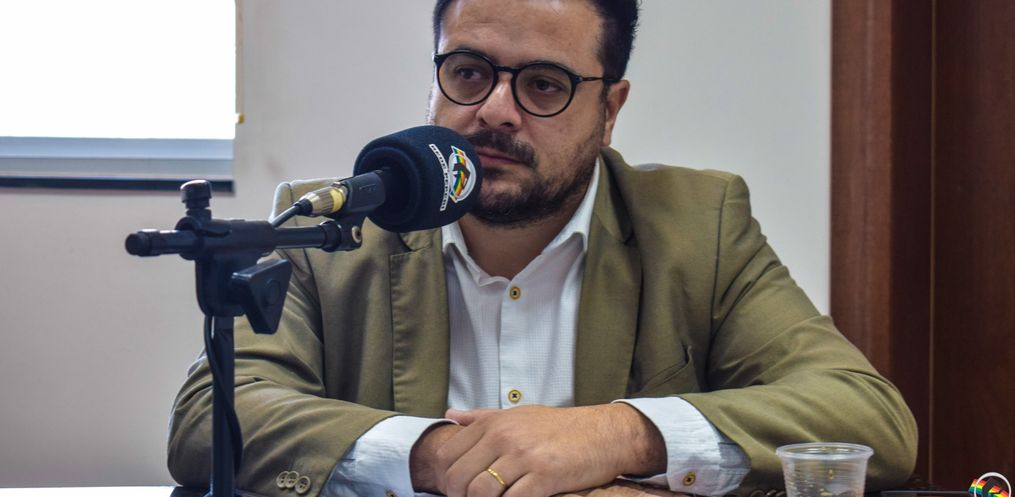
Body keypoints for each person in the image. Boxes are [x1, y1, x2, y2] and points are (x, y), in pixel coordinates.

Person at [167, 1, 918, 497]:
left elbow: (866, 416)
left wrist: (617, 433)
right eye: (467, 72)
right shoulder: (330, 224)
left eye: (544, 85)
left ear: (609, 109)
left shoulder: (699, 226)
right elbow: (211, 417)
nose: (495, 110)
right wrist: (432, 454)